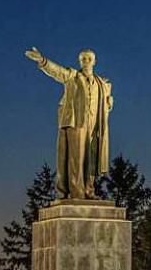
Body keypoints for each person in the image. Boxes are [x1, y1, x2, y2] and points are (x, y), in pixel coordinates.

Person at [25, 47, 113, 199]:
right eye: (83, 58)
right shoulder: (72, 76)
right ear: (79, 61)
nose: (86, 61)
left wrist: (109, 103)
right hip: (76, 123)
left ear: (94, 61)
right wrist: (42, 61)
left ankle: (89, 190)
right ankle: (76, 191)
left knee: (91, 159)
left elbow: (104, 105)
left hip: (95, 126)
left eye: (89, 58)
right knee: (75, 158)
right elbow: (57, 71)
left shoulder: (102, 84)